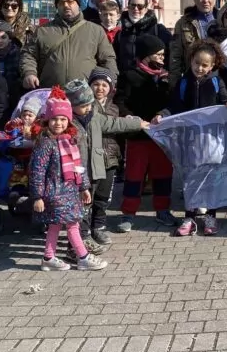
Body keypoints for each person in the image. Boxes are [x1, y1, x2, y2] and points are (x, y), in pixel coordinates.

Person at [155, 39, 227, 237]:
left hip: (212, 142)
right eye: (197, 63)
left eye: (205, 65)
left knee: (211, 180)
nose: (200, 68)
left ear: (212, 66)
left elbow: (225, 102)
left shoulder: (217, 82)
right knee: (190, 180)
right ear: (191, 61)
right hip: (189, 141)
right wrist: (162, 114)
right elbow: (174, 106)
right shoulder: (183, 82)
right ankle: (189, 217)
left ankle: (210, 217)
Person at [30, 87, 108, 271]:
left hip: (70, 192)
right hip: (55, 193)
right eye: (54, 119)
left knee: (55, 225)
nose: (58, 123)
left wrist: (84, 187)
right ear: (47, 120)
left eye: (63, 119)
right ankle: (83, 257)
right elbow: (37, 171)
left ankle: (48, 258)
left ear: (69, 120)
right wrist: (37, 196)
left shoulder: (69, 141)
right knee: (72, 224)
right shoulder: (45, 143)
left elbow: (78, 167)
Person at [65, 78, 147, 246]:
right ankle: (83, 235)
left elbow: (115, 123)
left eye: (89, 104)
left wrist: (138, 123)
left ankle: (98, 228)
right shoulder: (67, 122)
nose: (88, 108)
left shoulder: (95, 117)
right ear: (72, 106)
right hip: (79, 171)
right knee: (83, 204)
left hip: (97, 166)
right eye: (84, 105)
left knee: (100, 200)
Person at [115, 35, 180, 233]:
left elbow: (174, 103)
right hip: (138, 135)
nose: (162, 58)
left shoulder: (166, 77)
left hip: (161, 137)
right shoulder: (129, 76)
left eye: (163, 54)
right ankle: (128, 213)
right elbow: (120, 101)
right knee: (134, 176)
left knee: (163, 175)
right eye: (158, 54)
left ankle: (163, 210)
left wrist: (163, 113)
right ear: (145, 55)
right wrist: (130, 117)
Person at [21, 0, 118, 90]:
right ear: (57, 7)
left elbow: (108, 59)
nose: (66, 5)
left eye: (70, 2)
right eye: (61, 3)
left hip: (86, 94)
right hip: (51, 93)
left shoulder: (95, 30)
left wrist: (108, 82)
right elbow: (28, 55)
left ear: (78, 5)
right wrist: (29, 72)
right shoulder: (43, 31)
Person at [114, 0, 173, 74]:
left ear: (146, 9)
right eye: (132, 5)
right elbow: (116, 57)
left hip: (151, 78)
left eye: (140, 6)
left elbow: (172, 54)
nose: (136, 9)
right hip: (125, 79)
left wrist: (164, 73)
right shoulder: (121, 32)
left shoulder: (158, 30)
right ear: (128, 7)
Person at [170, 0, 219, 81]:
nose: (205, 1)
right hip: (192, 76)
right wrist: (174, 81)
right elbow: (175, 55)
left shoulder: (223, 20)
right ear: (195, 0)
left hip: (218, 76)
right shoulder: (183, 23)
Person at [0, 20, 24, 108]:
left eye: (3, 37)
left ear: (9, 39)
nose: (0, 40)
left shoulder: (18, 55)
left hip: (13, 96)